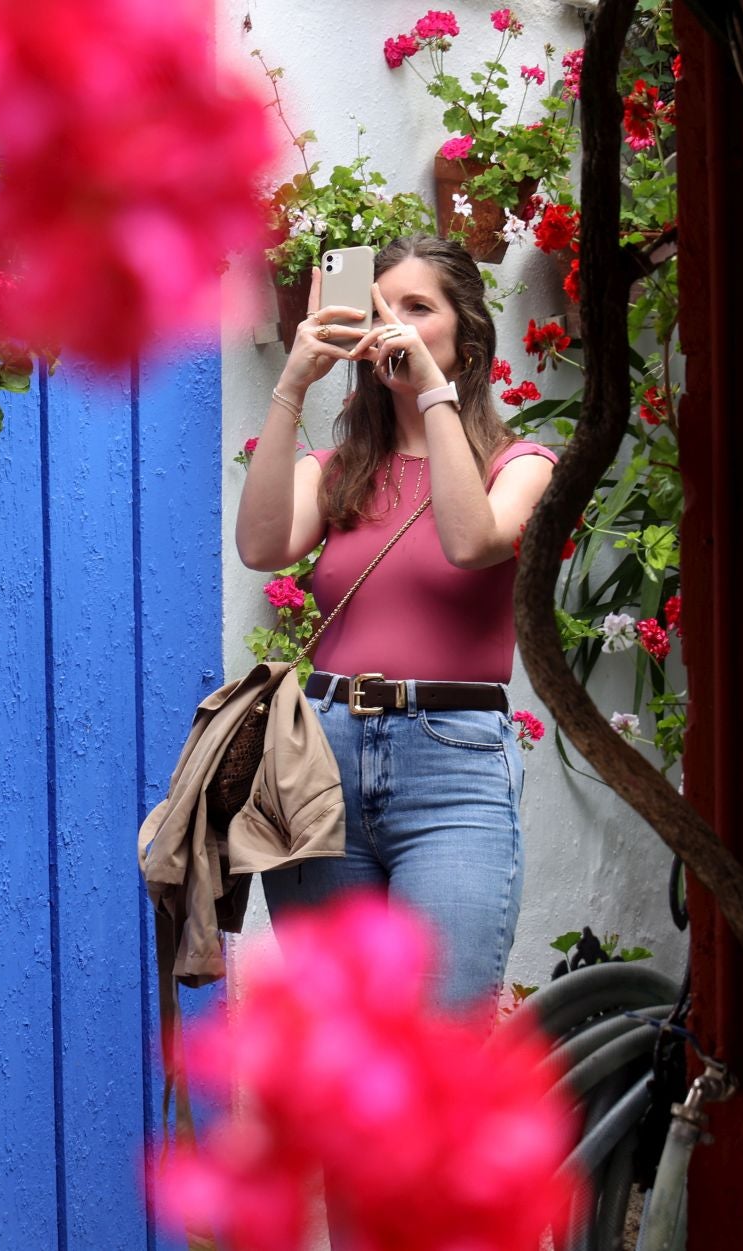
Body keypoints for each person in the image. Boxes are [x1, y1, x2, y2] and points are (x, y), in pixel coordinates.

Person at [234, 234, 557, 1016]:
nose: (396, 324)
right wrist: (293, 382)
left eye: (417, 307)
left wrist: (435, 396)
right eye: (382, 308)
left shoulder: (523, 466)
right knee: (336, 1043)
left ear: (466, 335)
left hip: (453, 765)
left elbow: (472, 540)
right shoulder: (339, 471)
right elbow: (260, 545)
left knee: (442, 1032)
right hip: (324, 761)